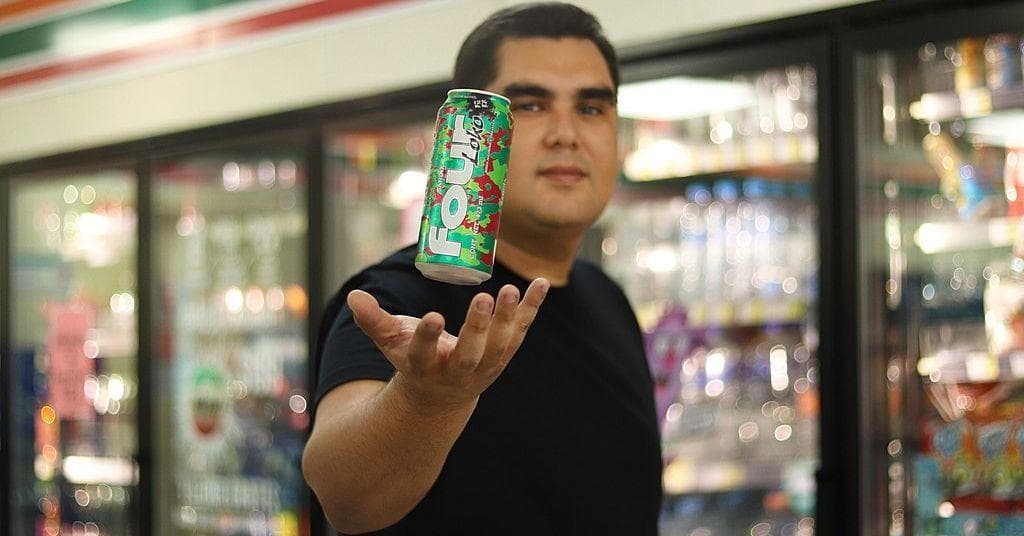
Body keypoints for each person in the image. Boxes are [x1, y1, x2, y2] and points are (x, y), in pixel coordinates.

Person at [302, 3, 662, 534]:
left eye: (591, 108)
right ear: (472, 133)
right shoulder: (398, 298)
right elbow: (344, 498)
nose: (566, 133)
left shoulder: (606, 295)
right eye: (530, 106)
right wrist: (426, 402)